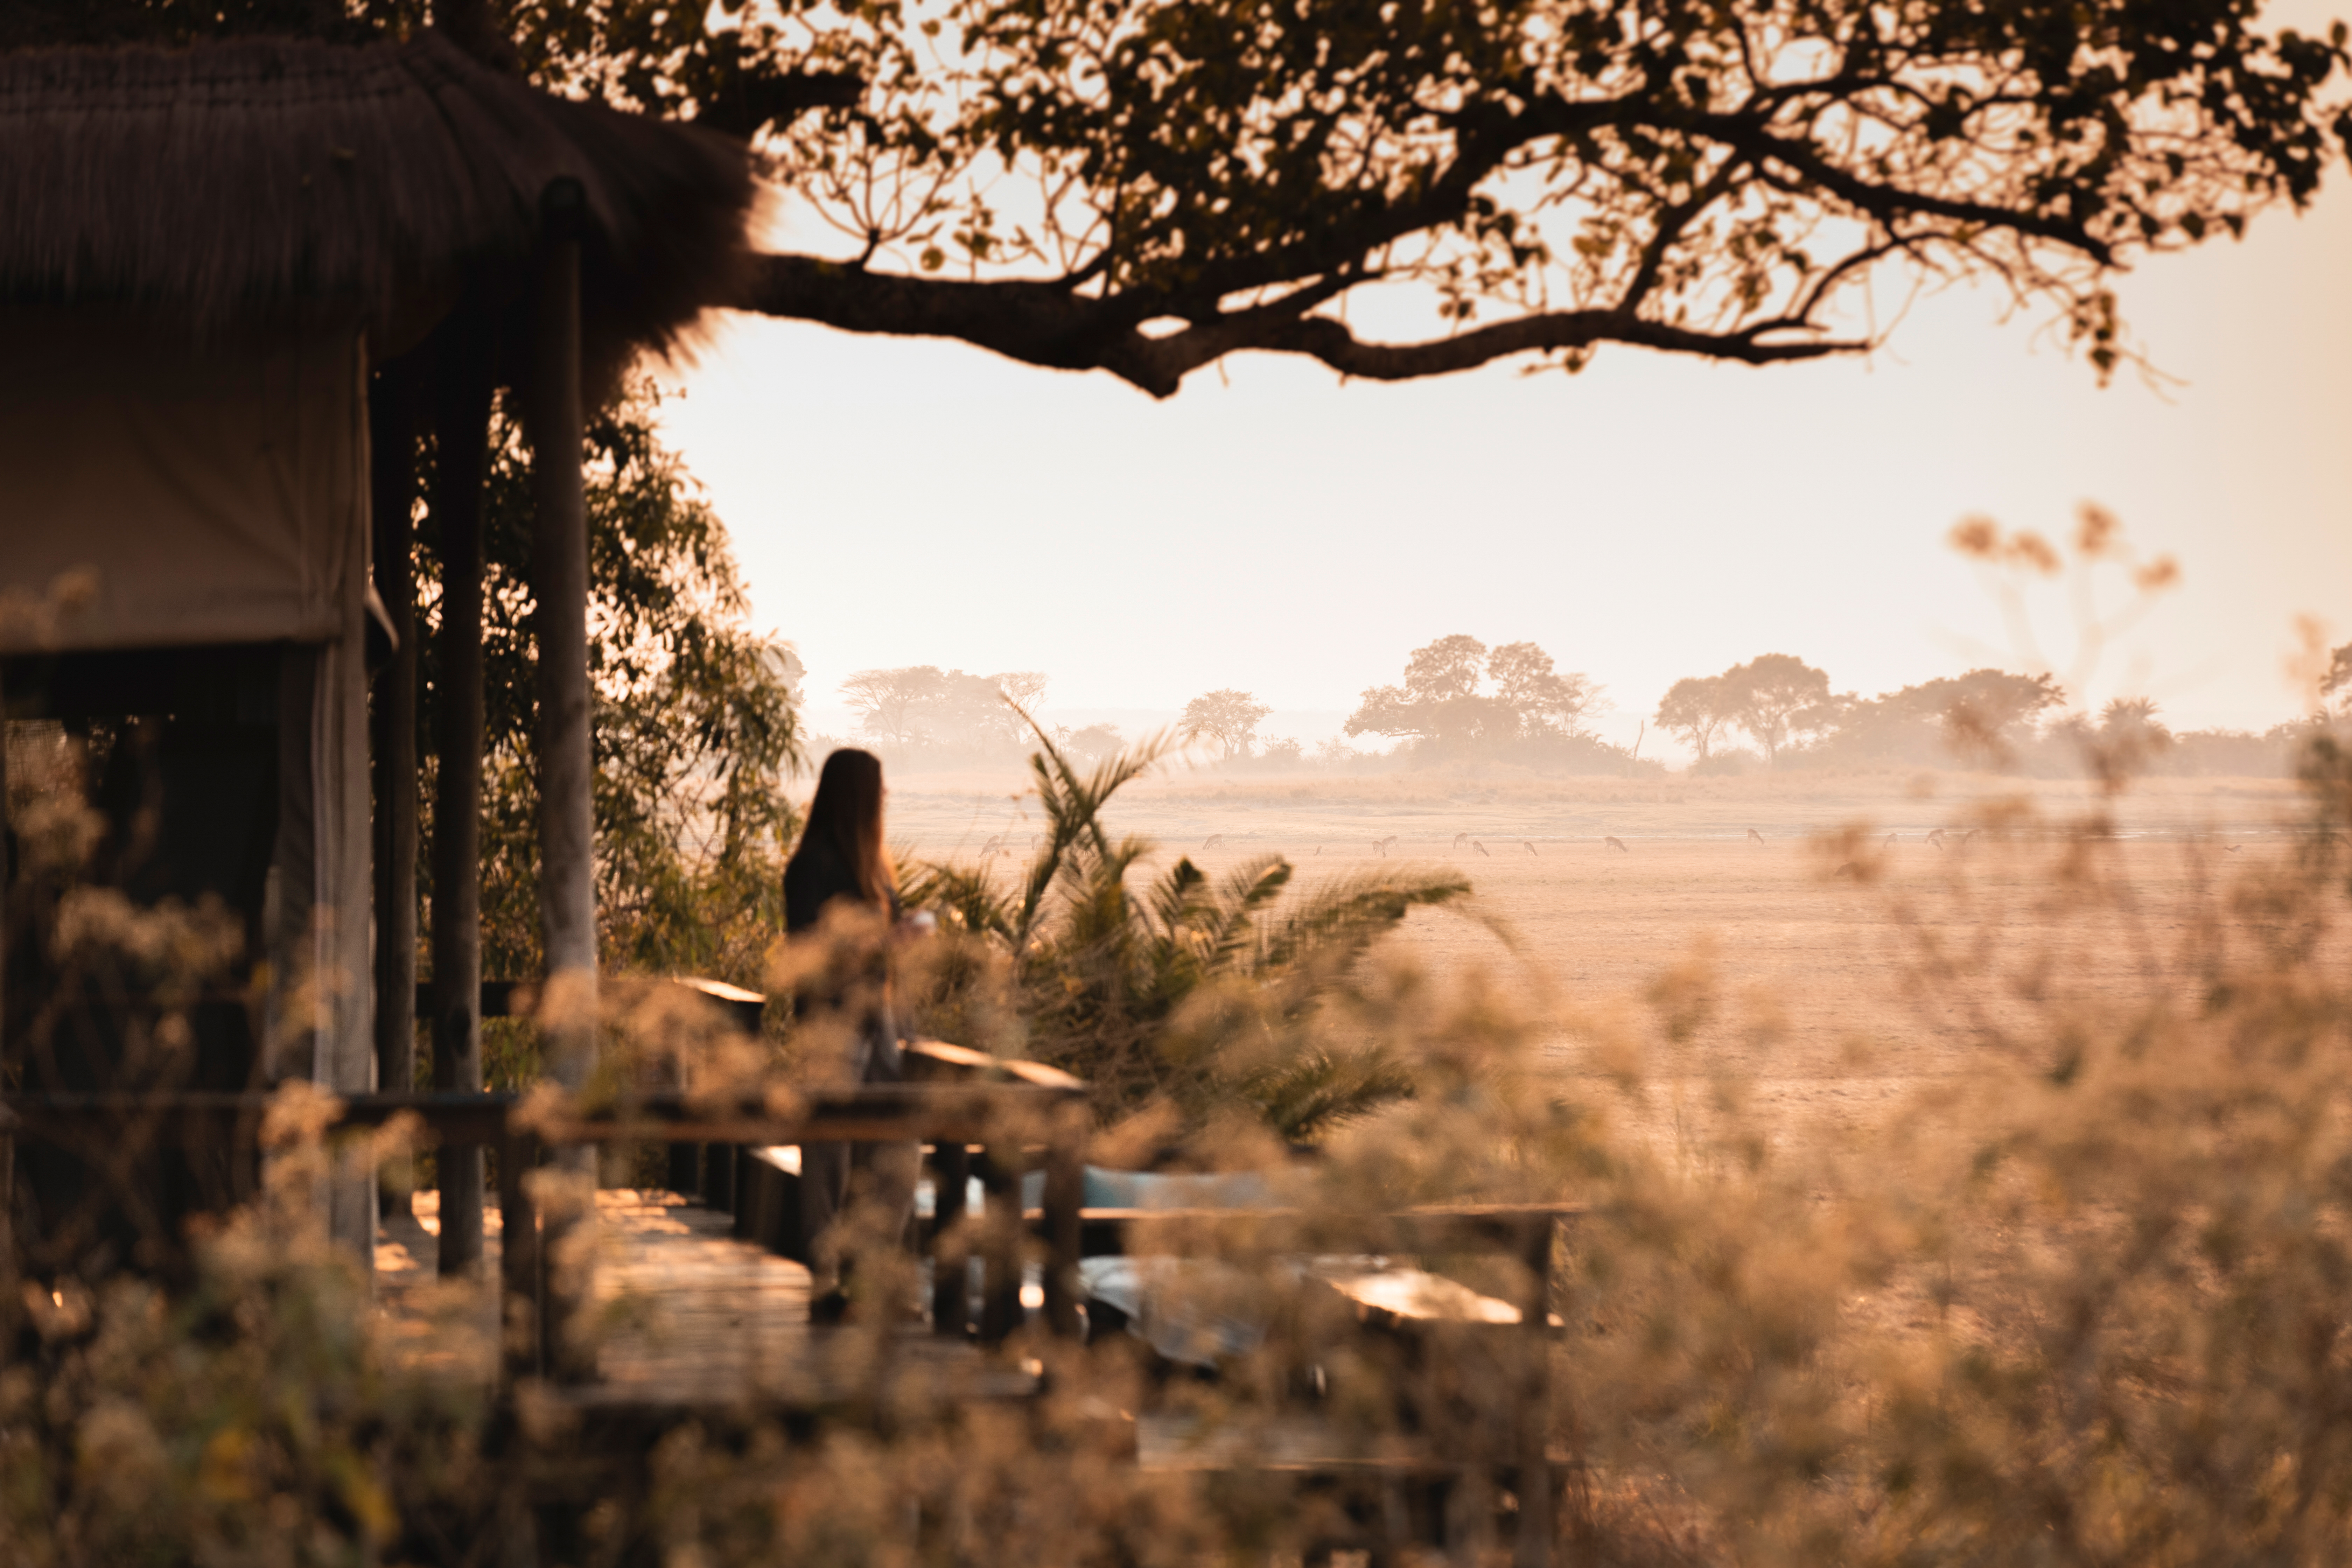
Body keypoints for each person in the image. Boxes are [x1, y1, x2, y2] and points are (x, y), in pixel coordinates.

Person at [781, 747, 920, 1319]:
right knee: (829, 1161)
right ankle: (826, 1284)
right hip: (830, 1029)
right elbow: (808, 958)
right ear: (859, 795)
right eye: (879, 788)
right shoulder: (811, 867)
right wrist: (887, 943)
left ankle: (871, 1278)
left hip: (880, 1026)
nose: (886, 798)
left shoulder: (875, 873)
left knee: (894, 1152)